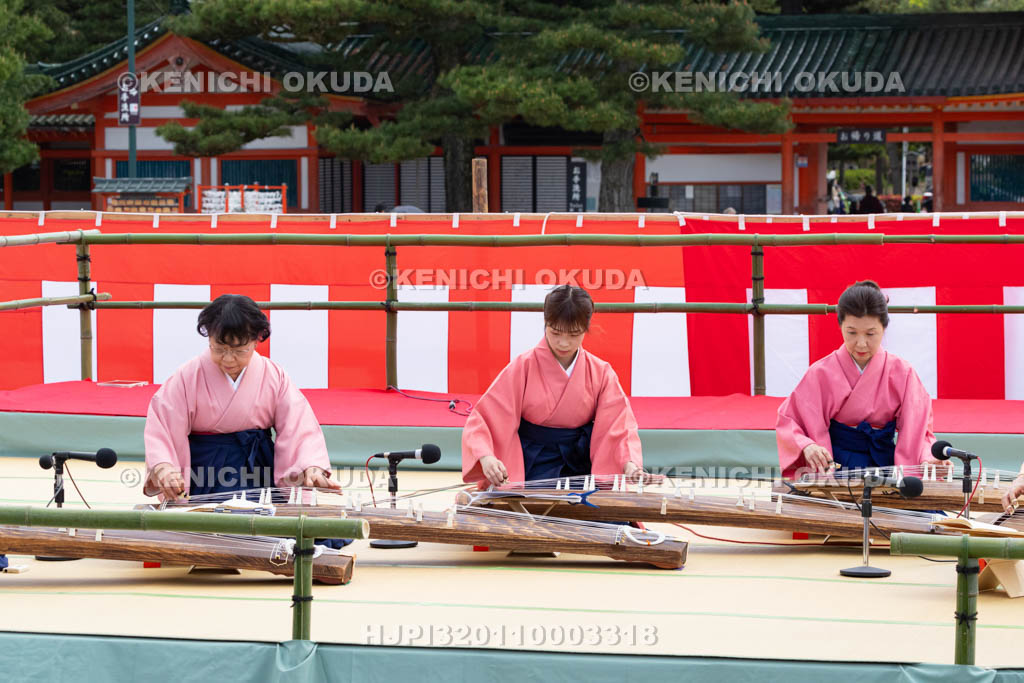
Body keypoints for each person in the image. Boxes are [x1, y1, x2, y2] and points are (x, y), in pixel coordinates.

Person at [144, 294, 340, 501]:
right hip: (205, 476)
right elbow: (163, 427)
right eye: (219, 349)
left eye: (239, 351)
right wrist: (164, 466)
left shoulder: (273, 375)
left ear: (256, 342)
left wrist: (310, 466)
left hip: (258, 474)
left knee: (276, 530)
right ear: (208, 338)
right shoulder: (187, 376)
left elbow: (299, 427)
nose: (228, 359)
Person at [462, 285, 644, 487]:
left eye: (573, 334)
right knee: (523, 512)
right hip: (531, 462)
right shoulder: (524, 366)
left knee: (604, 517)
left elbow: (619, 425)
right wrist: (487, 457)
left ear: (586, 329)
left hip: (582, 462)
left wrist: (629, 463)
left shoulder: (601, 372)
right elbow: (485, 418)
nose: (563, 343)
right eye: (556, 332)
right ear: (545, 323)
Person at [776, 280, 944, 478]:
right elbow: (791, 420)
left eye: (871, 333)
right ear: (840, 326)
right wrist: (807, 445)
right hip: (837, 467)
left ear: (884, 328)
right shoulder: (821, 373)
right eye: (852, 333)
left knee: (915, 510)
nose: (861, 343)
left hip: (886, 466)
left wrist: (927, 458)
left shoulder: (903, 373)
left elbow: (919, 429)